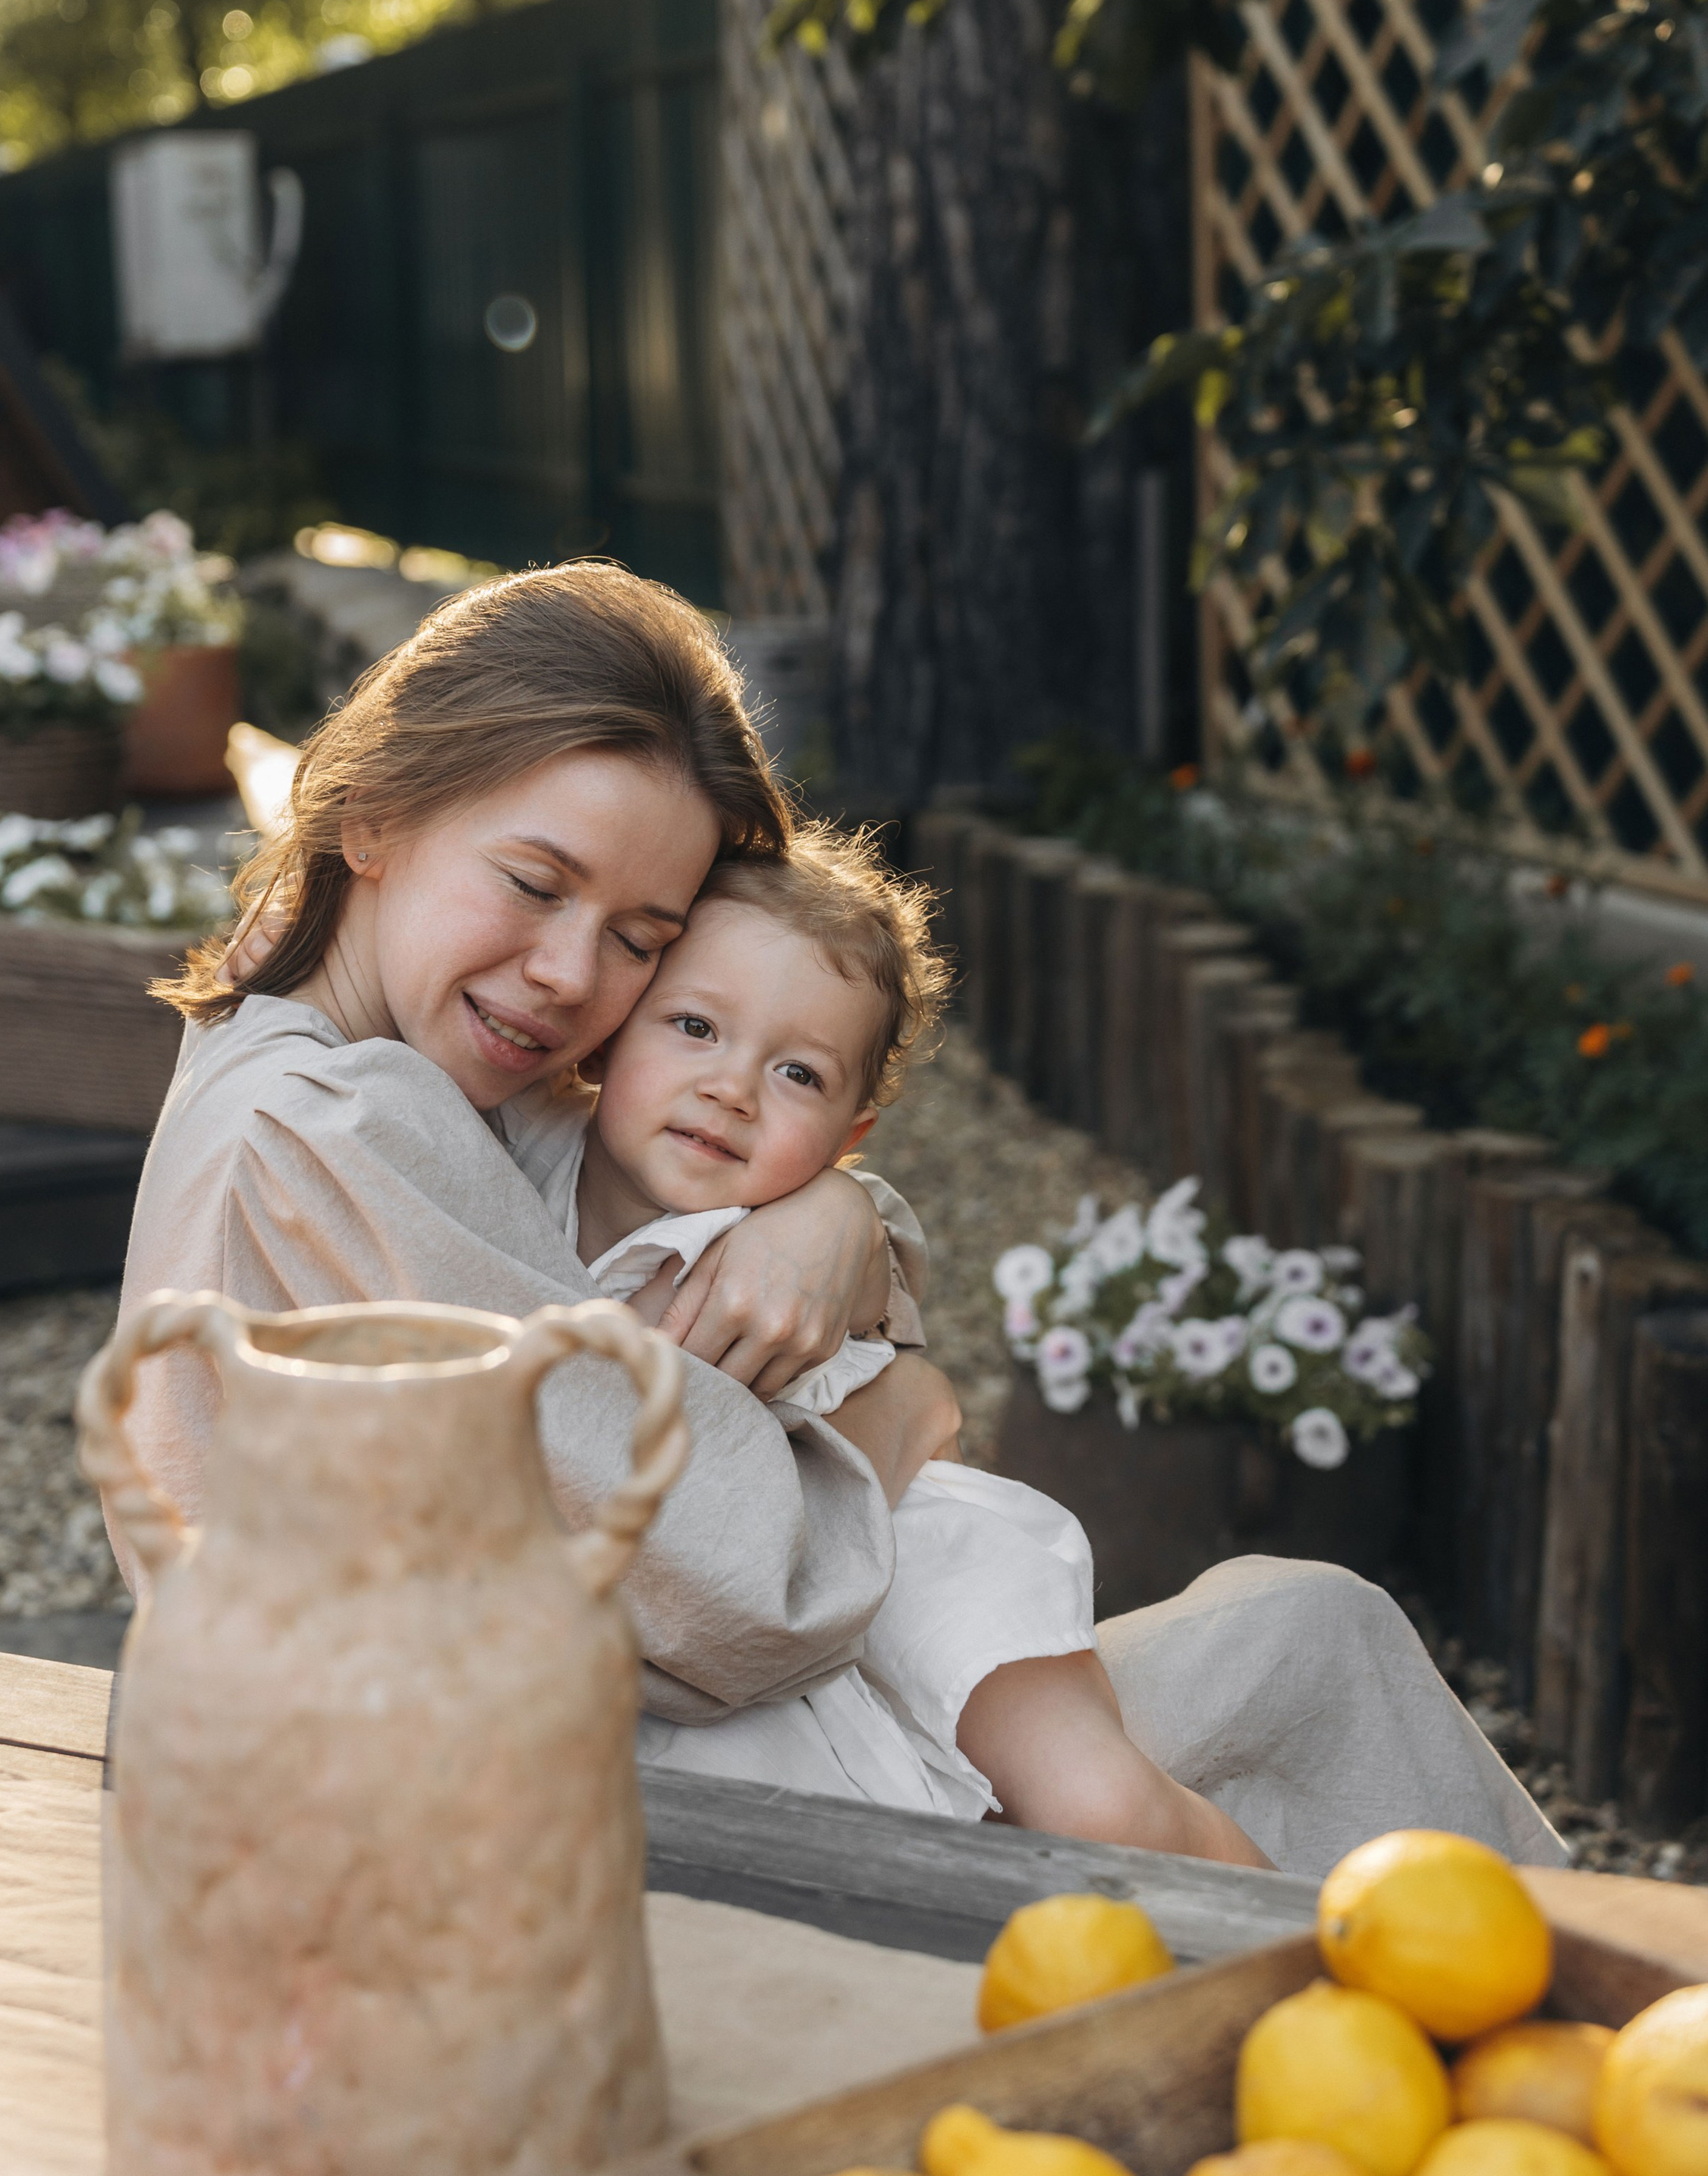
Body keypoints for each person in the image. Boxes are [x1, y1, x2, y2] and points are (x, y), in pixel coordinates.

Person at [112, 558, 1566, 1877]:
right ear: (373, 812)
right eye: (534, 882)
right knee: (1304, 1664)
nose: (568, 976)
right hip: (550, 1845)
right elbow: (727, 1589)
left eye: (637, 938)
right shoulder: (336, 1133)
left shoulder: (369, 1048)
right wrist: (905, 1408)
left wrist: (843, 1220)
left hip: (603, 1764)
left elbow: (693, 1196)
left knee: (1310, 1629)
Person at [506, 823, 1269, 1864]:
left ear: (850, 1133)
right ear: (608, 1034)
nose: (732, 1088)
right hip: (720, 1599)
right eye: (692, 1026)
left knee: (1101, 1808)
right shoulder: (510, 1164)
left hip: (905, 1539)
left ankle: (1329, 1954)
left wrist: (840, 1207)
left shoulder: (770, 1232)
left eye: (800, 1076)